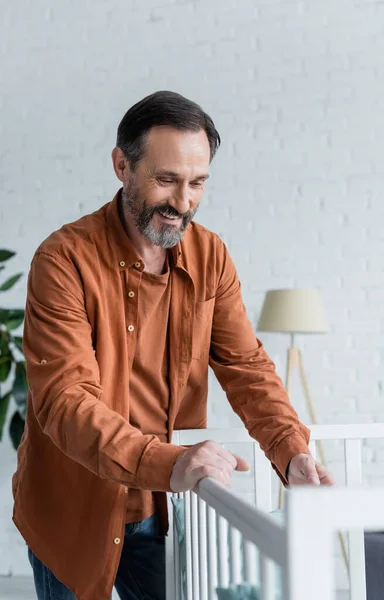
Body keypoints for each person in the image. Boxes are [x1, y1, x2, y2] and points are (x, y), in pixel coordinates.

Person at [12, 90, 334, 600]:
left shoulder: (211, 256)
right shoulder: (62, 260)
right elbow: (64, 400)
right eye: (166, 180)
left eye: (197, 183)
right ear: (122, 165)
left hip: (163, 506)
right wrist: (173, 463)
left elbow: (246, 366)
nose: (183, 202)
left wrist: (291, 450)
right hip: (72, 507)